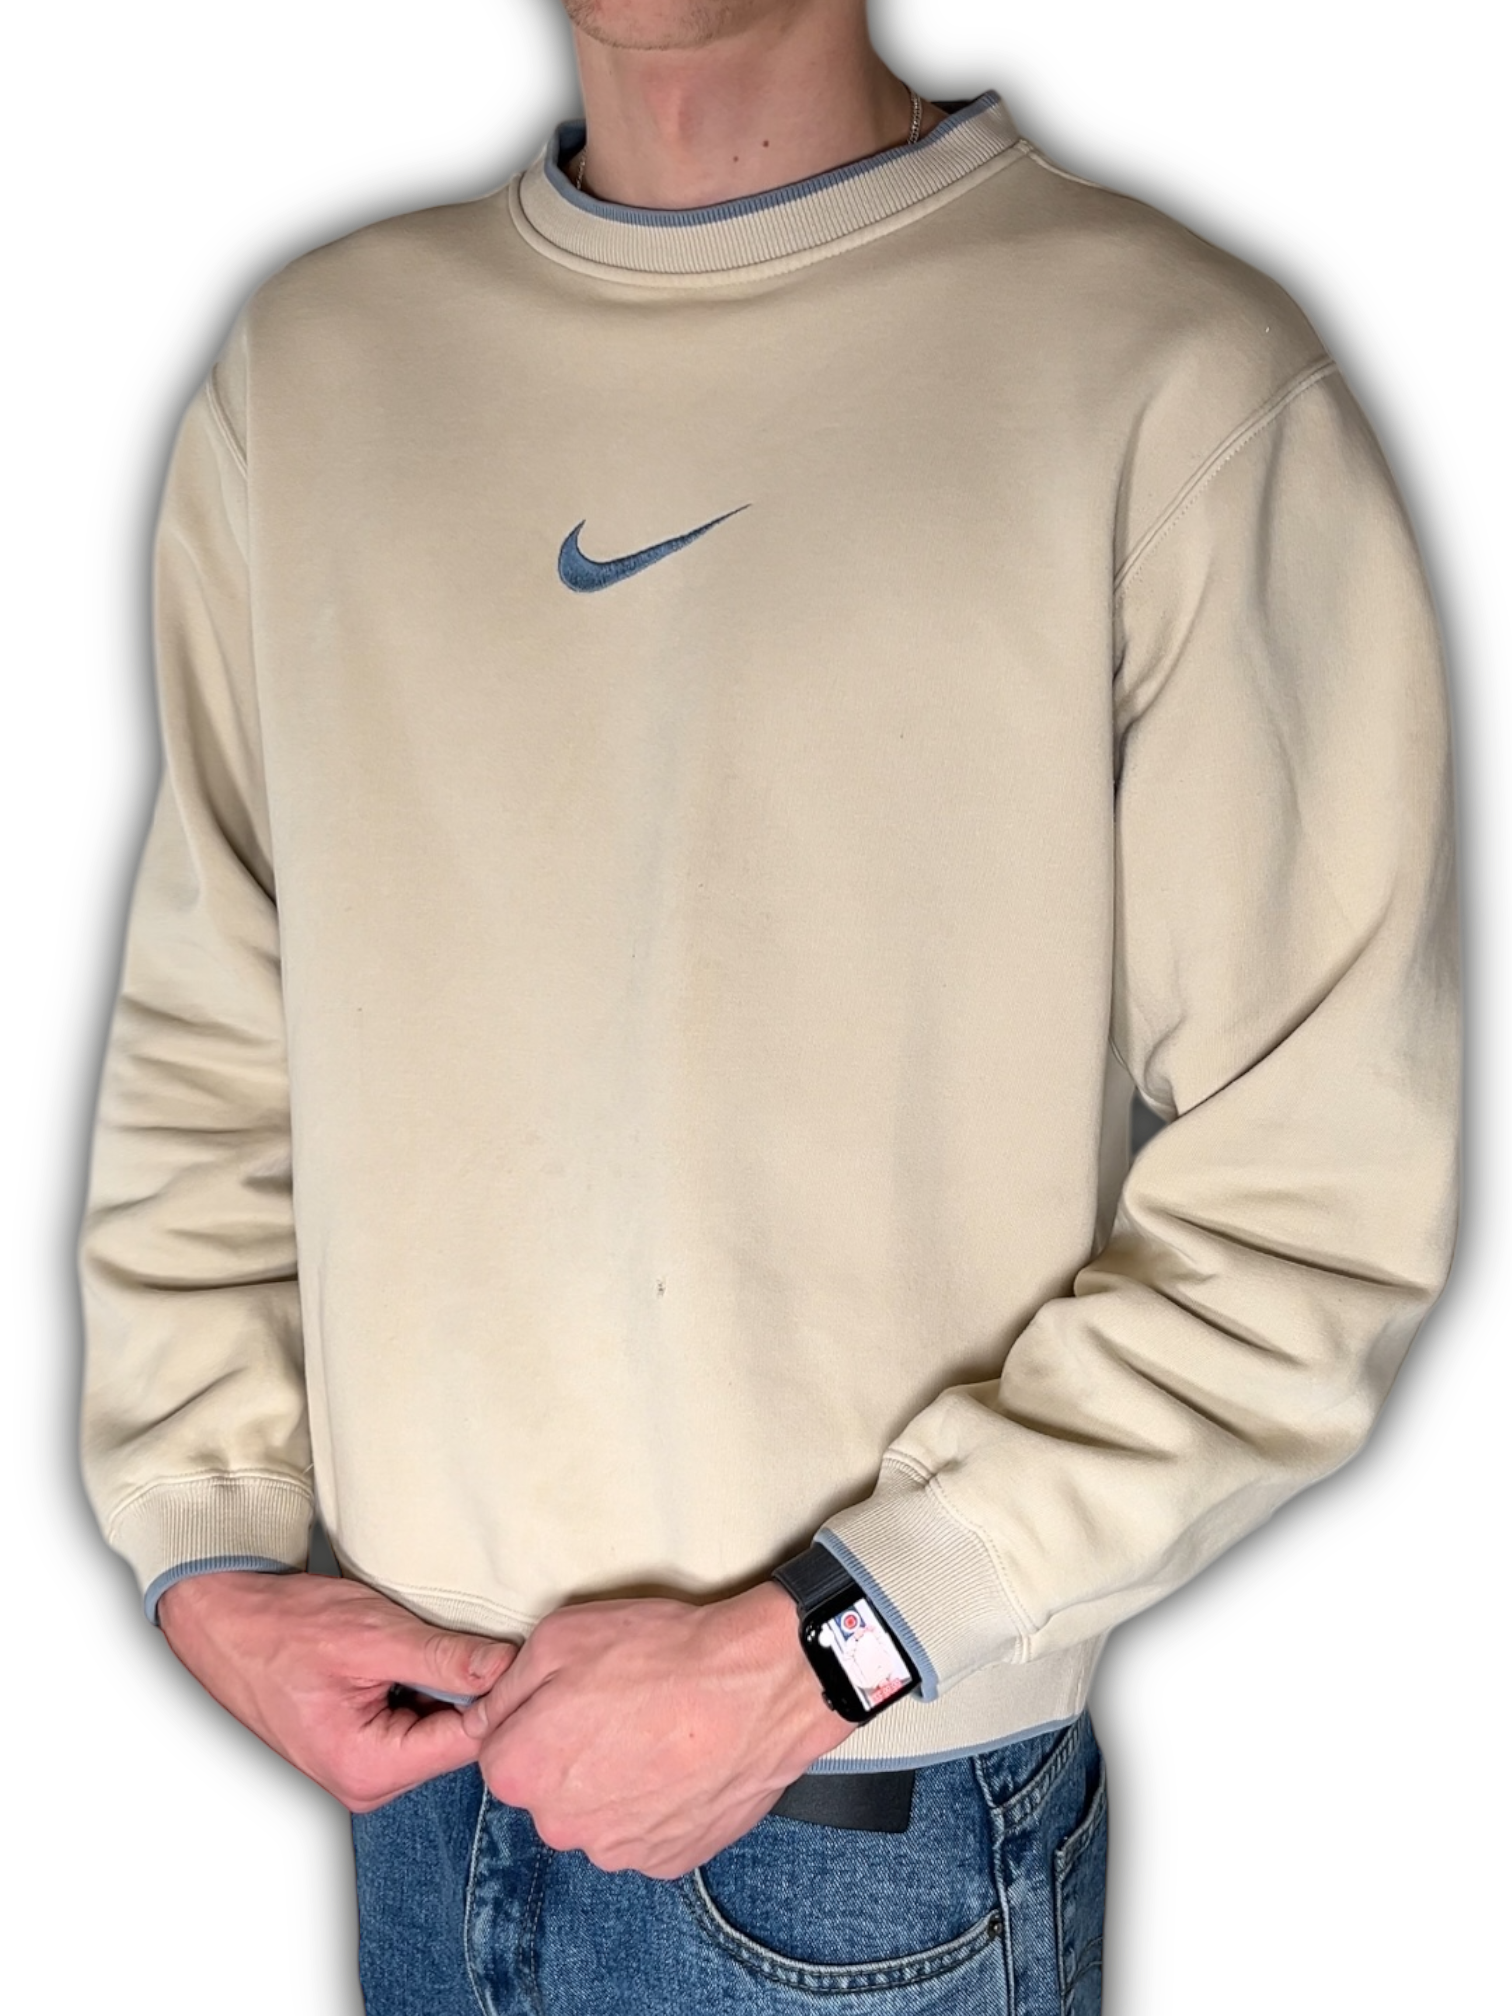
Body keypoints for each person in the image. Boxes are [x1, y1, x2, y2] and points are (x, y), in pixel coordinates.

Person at [74, 0, 1463, 2010]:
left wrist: (833, 1642)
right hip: (419, 1778)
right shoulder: (315, 370)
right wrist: (204, 1544)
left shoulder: (1171, 371)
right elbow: (216, 1026)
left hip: (859, 1818)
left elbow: (1319, 1195)